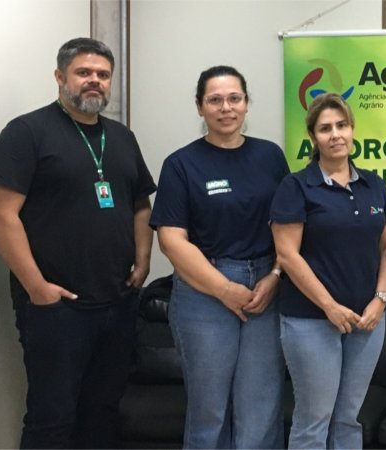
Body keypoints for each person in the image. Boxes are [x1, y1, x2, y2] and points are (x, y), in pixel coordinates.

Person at [0, 37, 155, 449]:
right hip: (56, 307)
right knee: (52, 417)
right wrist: (38, 289)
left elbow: (140, 204)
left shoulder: (121, 137)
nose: (94, 81)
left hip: (116, 300)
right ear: (61, 77)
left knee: (102, 412)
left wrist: (143, 260)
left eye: (102, 74)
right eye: (84, 73)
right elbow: (1, 215)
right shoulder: (26, 133)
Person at [149, 65, 289, 449]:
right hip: (204, 292)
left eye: (234, 98)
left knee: (261, 405)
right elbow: (171, 241)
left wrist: (276, 275)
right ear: (200, 107)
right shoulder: (181, 164)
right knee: (210, 410)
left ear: (245, 104)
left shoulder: (270, 156)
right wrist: (224, 289)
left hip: (265, 287)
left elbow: (288, 227)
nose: (225, 108)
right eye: (215, 100)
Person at [270, 92, 386, 449]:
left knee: (348, 418)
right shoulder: (296, 186)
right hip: (312, 321)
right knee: (314, 420)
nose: (335, 134)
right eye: (325, 128)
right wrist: (329, 306)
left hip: (366, 321)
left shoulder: (373, 184)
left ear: (353, 130)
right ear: (313, 137)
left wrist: (381, 300)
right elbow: (288, 255)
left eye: (342, 125)